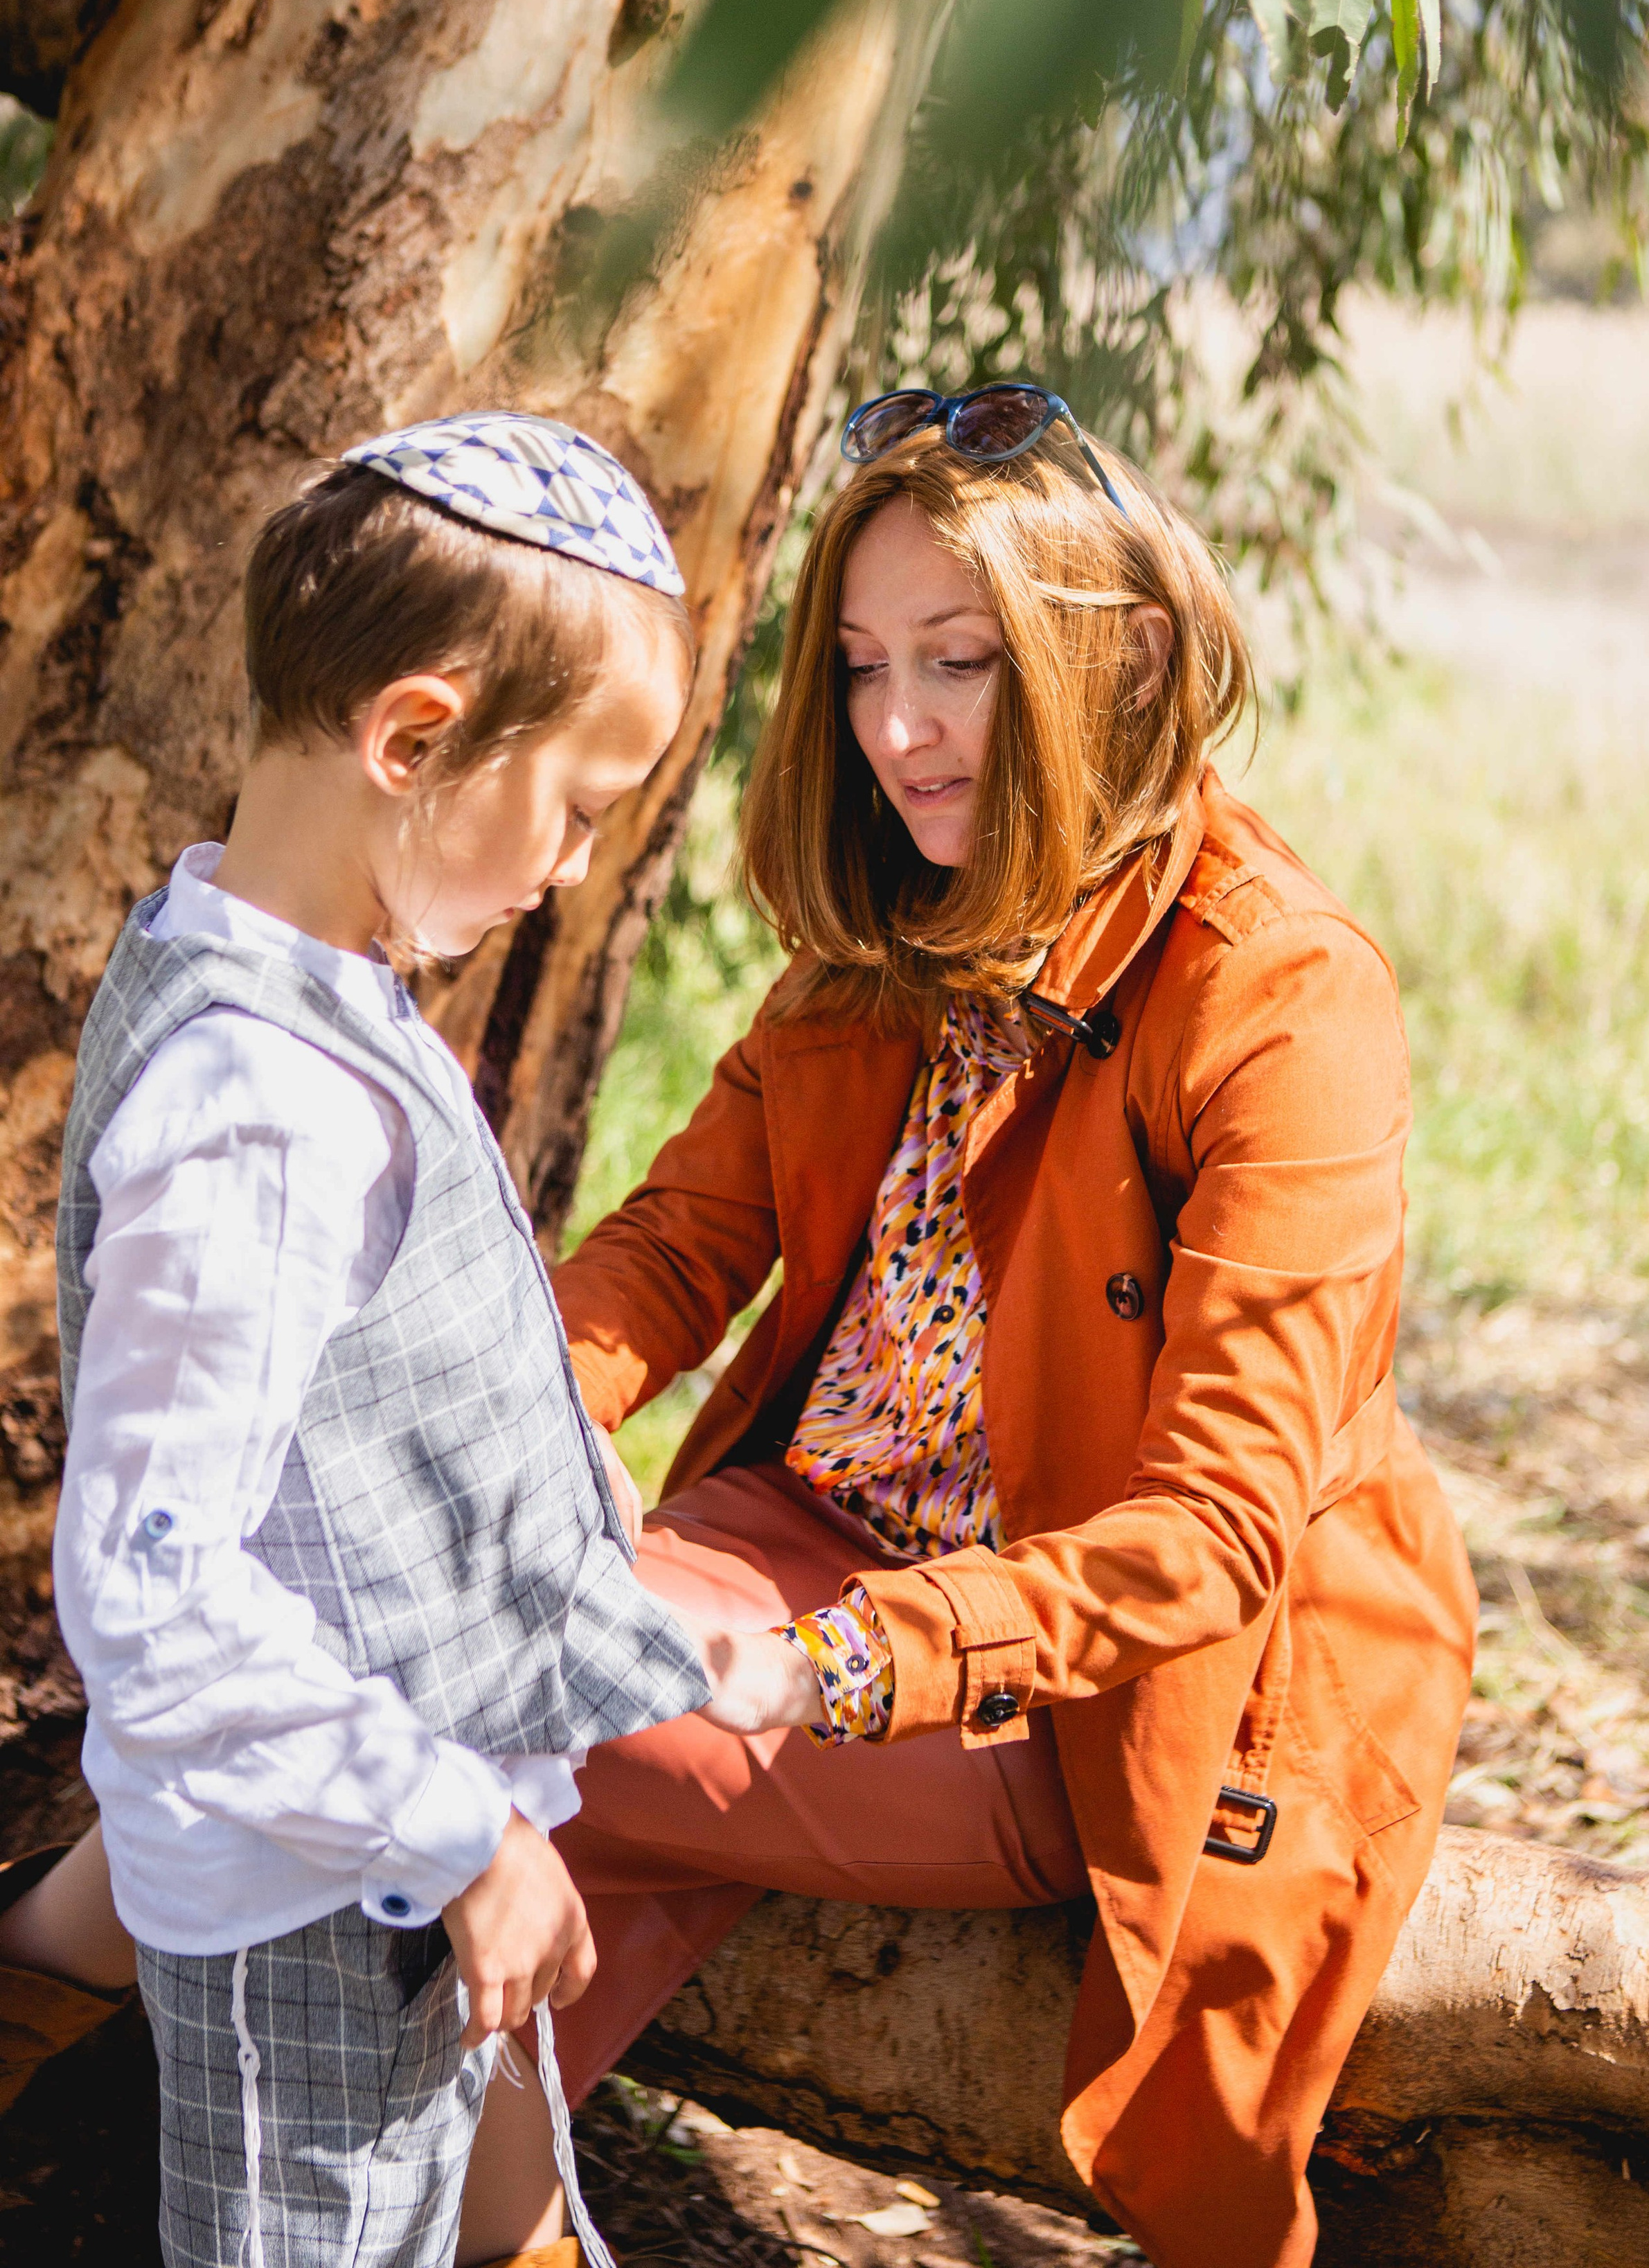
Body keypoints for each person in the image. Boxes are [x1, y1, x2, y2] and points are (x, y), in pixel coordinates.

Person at [497, 384, 1479, 2266]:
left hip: (1079, 1669)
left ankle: (60, 1968)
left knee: (493, 1711)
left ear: (1125, 660)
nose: (898, 729)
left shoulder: (1278, 997)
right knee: (466, 1693)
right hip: (806, 1535)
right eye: (864, 668)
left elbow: (1206, 1544)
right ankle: (475, 2208)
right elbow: (669, 1250)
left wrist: (849, 1662)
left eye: (960, 662)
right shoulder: (890, 929)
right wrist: (499, 1423)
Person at [26, 414, 796, 2268]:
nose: (575, 867)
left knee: (501, 2190)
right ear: (414, 739)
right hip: (338, 1878)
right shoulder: (254, 1111)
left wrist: (588, 1545)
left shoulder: (285, 961)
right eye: (580, 808)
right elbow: (152, 1592)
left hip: (386, 1829)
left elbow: (373, 1391)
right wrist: (458, 1833)